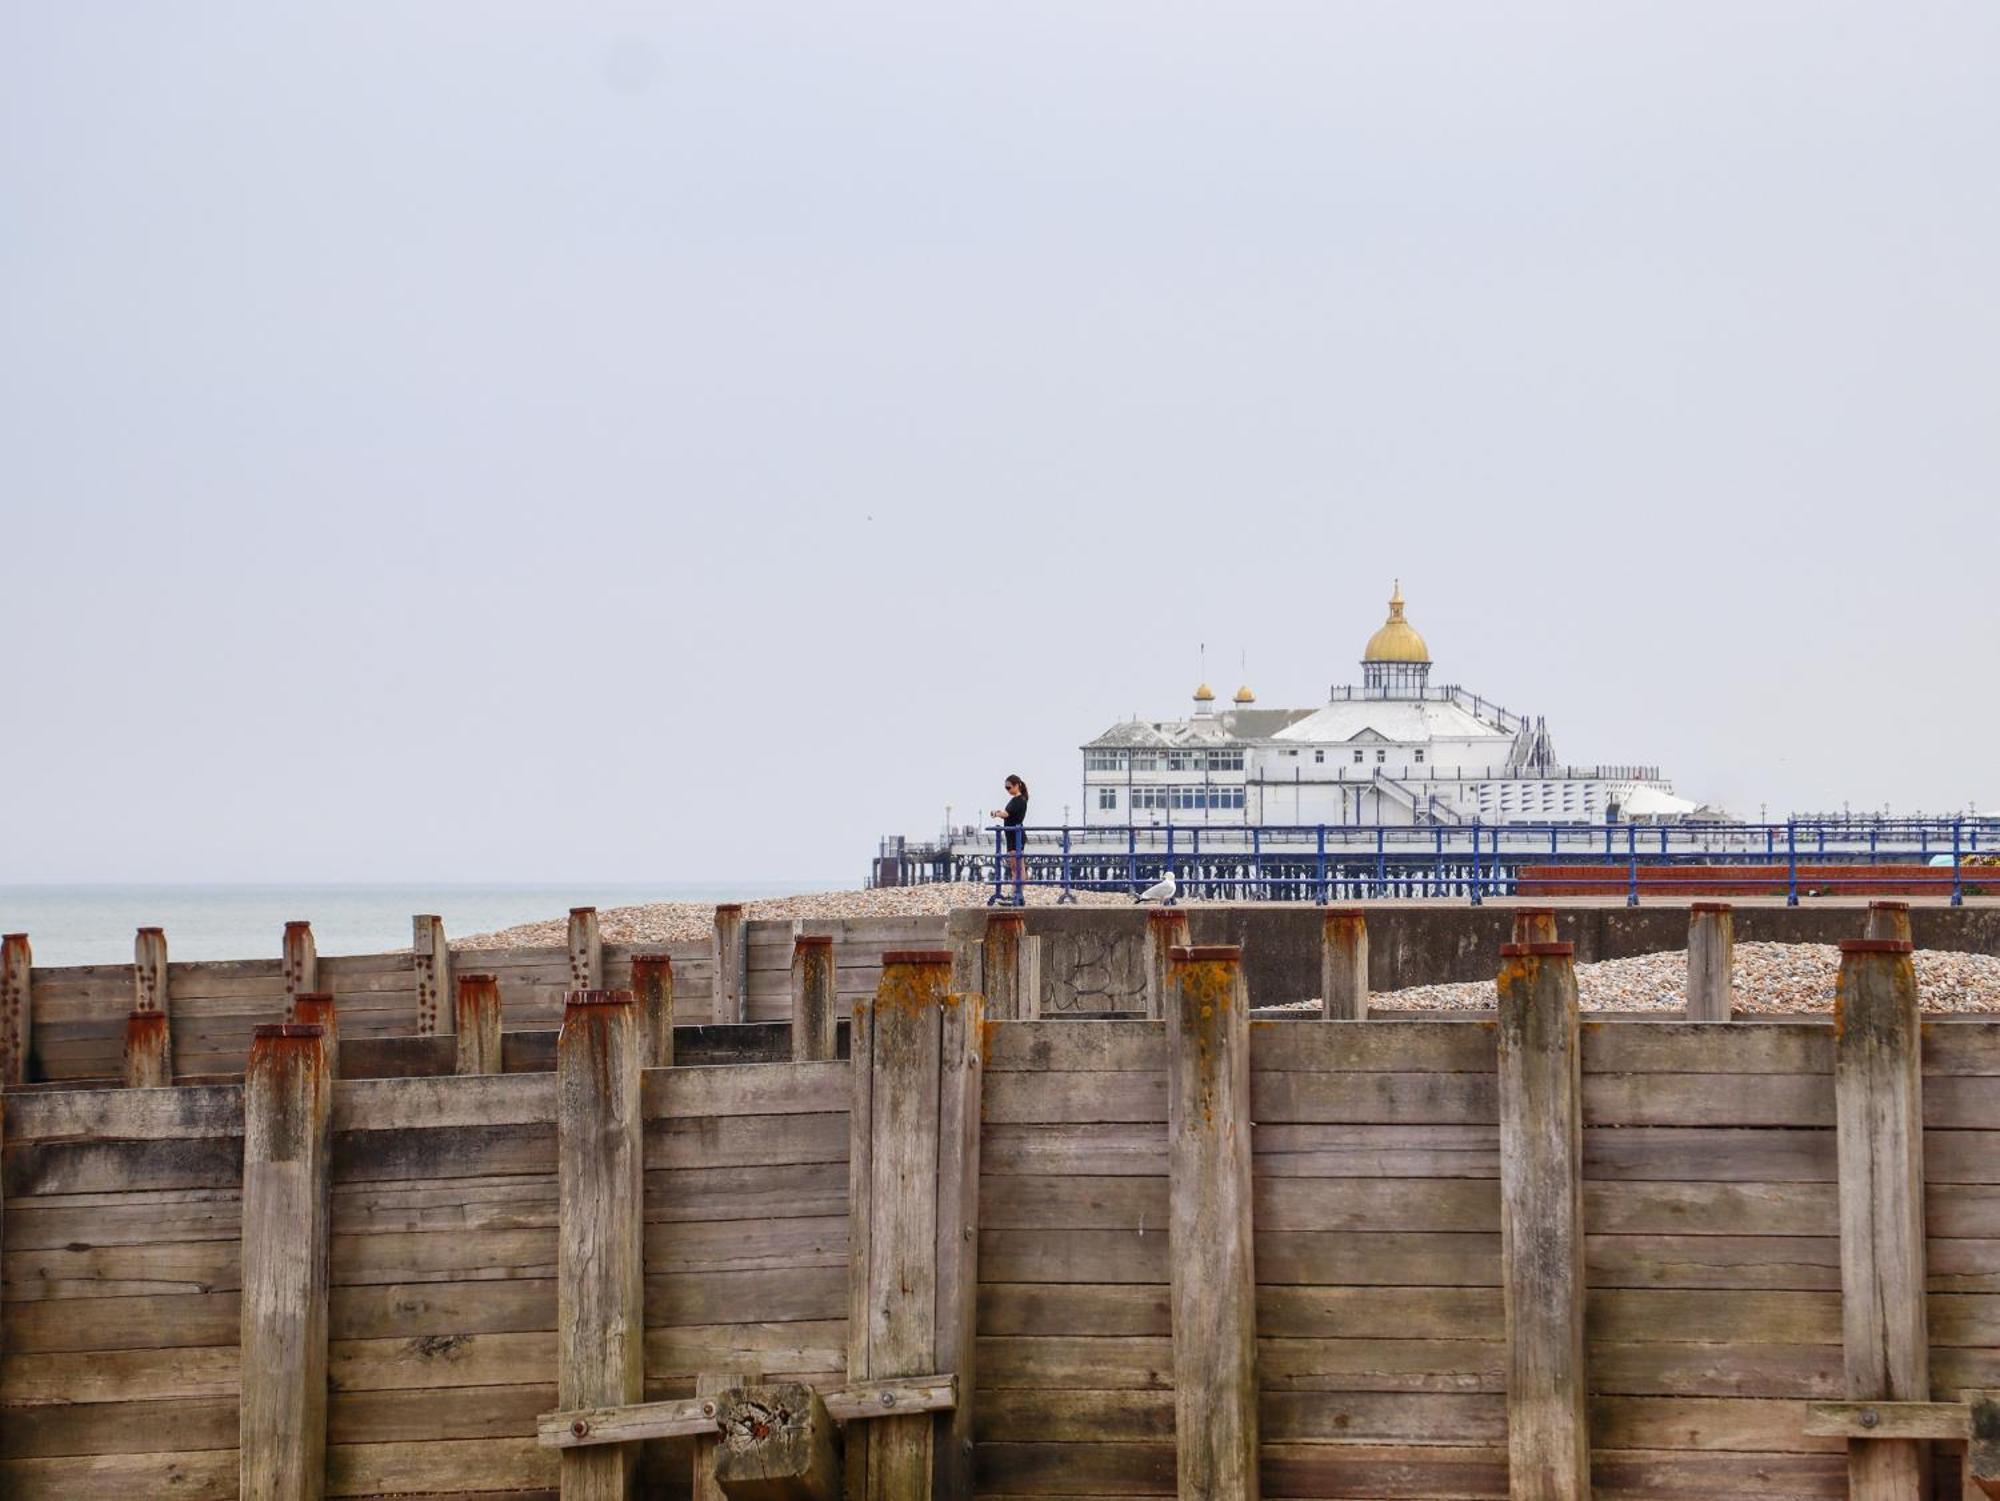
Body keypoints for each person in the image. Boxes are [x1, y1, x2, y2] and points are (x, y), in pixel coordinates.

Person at [990, 775, 1029, 897]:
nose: (1007, 790)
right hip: (1013, 835)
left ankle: (1017, 893)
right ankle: (1016, 892)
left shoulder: (1019, 800)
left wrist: (996, 813)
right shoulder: (1018, 799)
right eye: (1005, 788)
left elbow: (1006, 814)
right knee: (1016, 866)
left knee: (1016, 867)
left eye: (1009, 787)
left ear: (1017, 785)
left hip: (1015, 836)